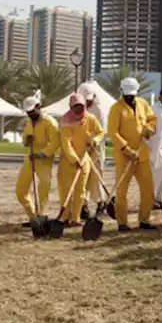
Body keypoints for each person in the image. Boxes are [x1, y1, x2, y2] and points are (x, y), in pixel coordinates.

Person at [107, 77, 158, 230]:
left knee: (148, 188)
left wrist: (150, 128)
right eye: (127, 94)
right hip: (124, 157)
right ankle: (122, 223)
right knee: (122, 191)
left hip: (142, 154)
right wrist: (126, 149)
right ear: (122, 92)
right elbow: (113, 131)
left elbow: (152, 119)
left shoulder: (143, 104)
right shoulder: (116, 108)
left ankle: (144, 220)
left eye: (132, 95)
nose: (130, 97)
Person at [58, 93, 102, 225]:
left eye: (81, 106)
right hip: (68, 161)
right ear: (71, 107)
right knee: (66, 190)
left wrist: (94, 141)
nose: (79, 109)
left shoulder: (91, 119)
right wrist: (74, 159)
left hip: (85, 160)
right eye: (76, 106)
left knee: (80, 190)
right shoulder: (65, 122)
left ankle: (76, 218)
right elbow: (66, 143)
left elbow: (100, 133)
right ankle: (64, 217)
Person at [16, 91, 59, 226]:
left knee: (43, 187)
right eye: (28, 113)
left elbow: (55, 142)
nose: (30, 115)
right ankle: (33, 216)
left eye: (32, 112)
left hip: (44, 160)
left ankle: (41, 215)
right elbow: (24, 140)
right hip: (30, 158)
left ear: (39, 107)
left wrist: (42, 153)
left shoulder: (50, 122)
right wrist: (26, 140)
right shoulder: (30, 123)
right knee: (21, 190)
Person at [81, 86, 106, 217]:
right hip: (81, 149)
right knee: (82, 177)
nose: (87, 103)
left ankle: (100, 203)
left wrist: (94, 141)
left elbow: (101, 131)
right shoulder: (77, 109)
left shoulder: (99, 111)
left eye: (89, 100)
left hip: (96, 149)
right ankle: (83, 205)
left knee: (96, 177)